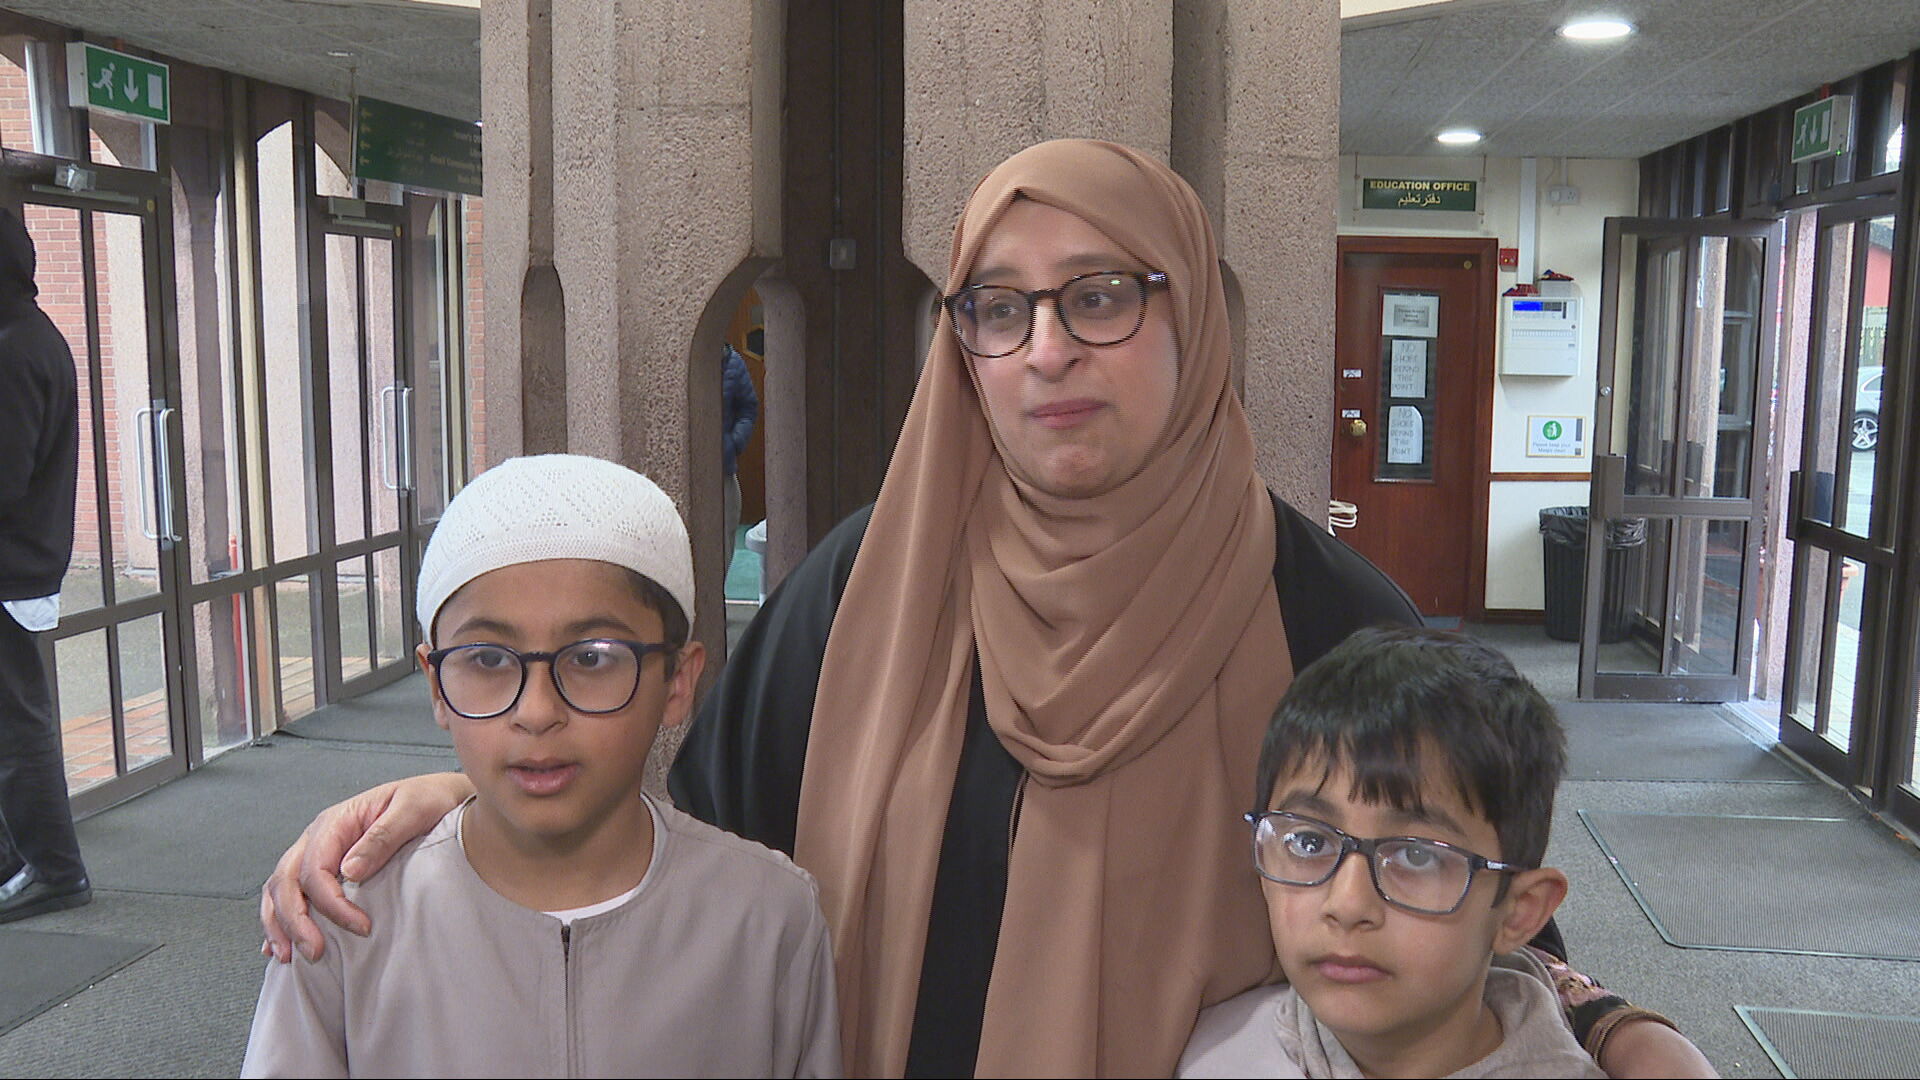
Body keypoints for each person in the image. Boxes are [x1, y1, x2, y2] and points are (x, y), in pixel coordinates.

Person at [260, 141, 1711, 1078]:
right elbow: (682, 840)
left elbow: (1452, 888)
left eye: (1099, 297)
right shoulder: (862, 591)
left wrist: (1609, 1026)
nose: (1043, 351)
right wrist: (463, 800)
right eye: (994, 308)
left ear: (1189, 317)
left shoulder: (1329, 616)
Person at [241, 455, 840, 1078]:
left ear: (677, 682)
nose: (536, 712)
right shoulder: (348, 922)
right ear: (436, 686)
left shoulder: (769, 917)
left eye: (593, 656)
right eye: (487, 660)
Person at [1180, 627, 1647, 1078]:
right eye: (1310, 842)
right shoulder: (1210, 1049)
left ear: (1519, 912)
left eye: (1417, 856)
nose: (1346, 905)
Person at [0, 205, 89, 924]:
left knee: (17, 728)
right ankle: (24, 861)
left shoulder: (13, 347)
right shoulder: (33, 335)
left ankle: (53, 869)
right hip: (22, 564)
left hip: (9, 569)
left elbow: (5, 474)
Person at [722, 342, 760, 568]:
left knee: (725, 535)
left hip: (723, 467)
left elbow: (748, 407)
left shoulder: (733, 363)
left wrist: (734, 442)